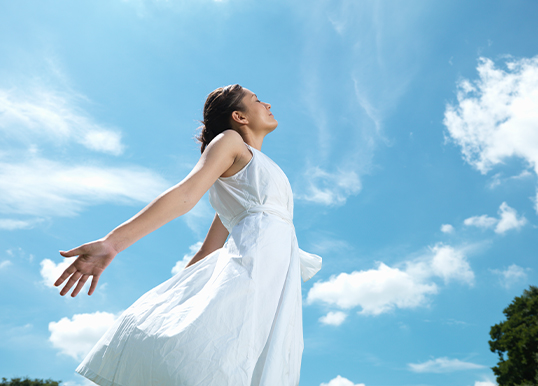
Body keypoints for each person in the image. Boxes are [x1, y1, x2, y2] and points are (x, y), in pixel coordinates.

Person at [54, 84, 322, 386]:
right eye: (257, 100)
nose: (267, 103)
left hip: (274, 281)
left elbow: (209, 250)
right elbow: (186, 194)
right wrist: (112, 243)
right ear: (239, 116)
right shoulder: (230, 140)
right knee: (225, 364)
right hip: (252, 273)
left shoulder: (252, 174)